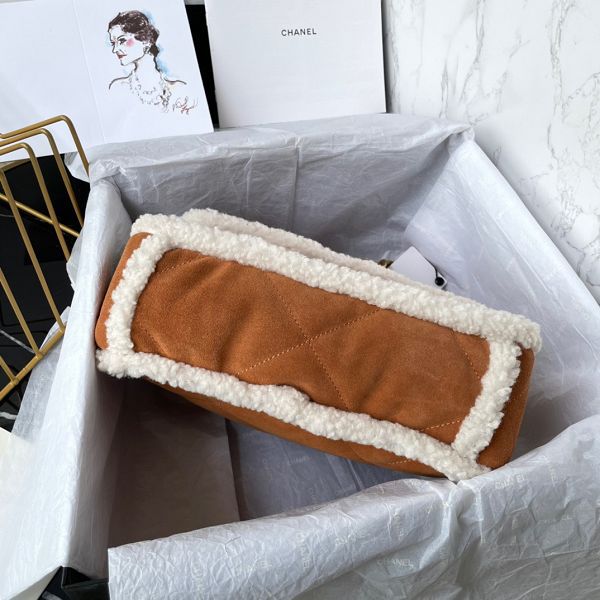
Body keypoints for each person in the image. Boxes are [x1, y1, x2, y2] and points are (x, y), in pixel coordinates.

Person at [108, 10, 196, 114]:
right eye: (113, 43)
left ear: (146, 40)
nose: (115, 50)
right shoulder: (118, 88)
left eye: (122, 41)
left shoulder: (179, 89)